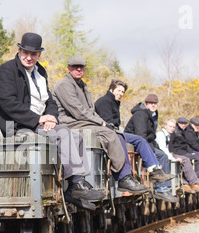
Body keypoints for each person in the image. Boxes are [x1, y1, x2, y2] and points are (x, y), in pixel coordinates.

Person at [0, 33, 105, 210]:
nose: (29, 57)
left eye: (34, 54)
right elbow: (7, 102)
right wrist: (37, 119)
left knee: (76, 137)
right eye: (25, 52)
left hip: (40, 123)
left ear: (39, 55)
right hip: (17, 124)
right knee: (63, 134)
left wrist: (52, 117)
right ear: (19, 50)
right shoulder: (7, 70)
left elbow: (50, 102)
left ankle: (74, 188)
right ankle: (76, 183)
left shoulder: (40, 72)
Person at [53, 55, 149, 195]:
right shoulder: (64, 85)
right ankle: (122, 177)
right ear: (68, 68)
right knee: (109, 133)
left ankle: (125, 177)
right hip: (70, 122)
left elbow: (90, 111)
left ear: (85, 69)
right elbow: (78, 111)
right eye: (75, 67)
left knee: (118, 135)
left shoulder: (83, 86)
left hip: (82, 122)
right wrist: (102, 123)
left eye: (81, 67)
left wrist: (104, 123)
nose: (78, 69)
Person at [94, 79, 176, 189]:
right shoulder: (104, 101)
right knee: (136, 139)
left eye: (123, 92)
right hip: (107, 134)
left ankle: (154, 169)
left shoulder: (114, 102)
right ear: (111, 89)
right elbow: (108, 123)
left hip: (114, 132)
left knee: (140, 140)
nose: (121, 94)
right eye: (119, 91)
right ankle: (128, 176)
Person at [124, 94, 179, 203]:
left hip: (145, 142)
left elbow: (151, 136)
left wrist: (154, 149)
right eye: (151, 103)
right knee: (159, 155)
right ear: (146, 104)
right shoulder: (140, 114)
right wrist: (150, 152)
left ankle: (164, 189)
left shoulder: (153, 114)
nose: (153, 105)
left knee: (162, 155)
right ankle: (161, 188)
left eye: (155, 103)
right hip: (133, 142)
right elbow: (141, 135)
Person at [155, 119, 199, 193]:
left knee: (186, 159)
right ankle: (192, 183)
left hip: (168, 154)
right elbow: (163, 148)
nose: (172, 128)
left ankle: (188, 183)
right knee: (184, 159)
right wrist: (173, 158)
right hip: (161, 156)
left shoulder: (169, 135)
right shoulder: (161, 134)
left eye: (173, 127)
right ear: (165, 126)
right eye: (170, 126)